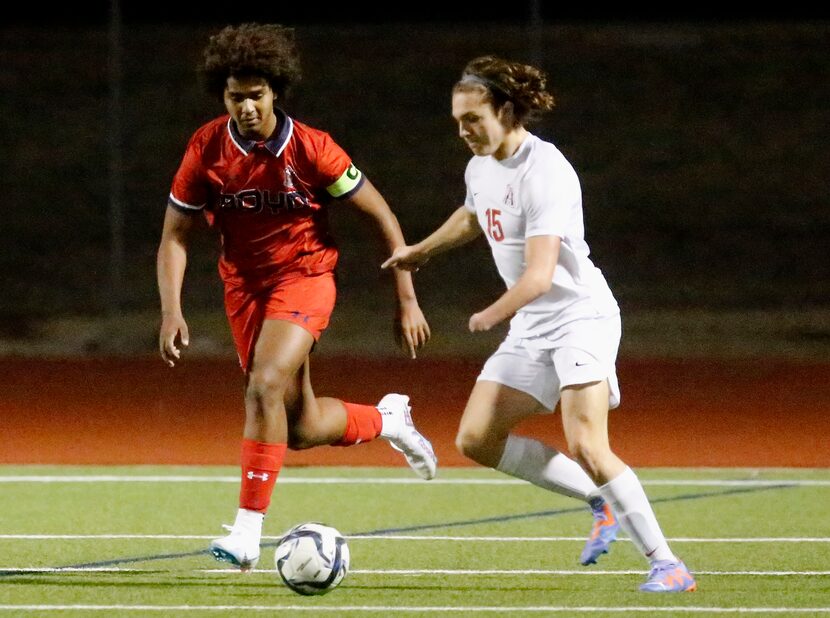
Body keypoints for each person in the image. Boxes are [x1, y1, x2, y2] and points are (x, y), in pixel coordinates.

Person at [382, 55, 696, 593]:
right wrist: (423, 251)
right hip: (532, 323)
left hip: (579, 318)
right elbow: (473, 212)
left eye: (473, 119)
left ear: (506, 111)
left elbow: (541, 275)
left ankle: (668, 564)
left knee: (588, 445)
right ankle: (599, 499)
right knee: (477, 437)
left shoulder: (546, 171)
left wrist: (490, 314)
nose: (464, 131)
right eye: (458, 121)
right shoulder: (480, 164)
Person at [156, 22, 437, 572]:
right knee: (301, 427)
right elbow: (174, 235)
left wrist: (407, 298)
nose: (246, 107)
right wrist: (172, 309)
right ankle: (389, 420)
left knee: (263, 386)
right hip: (244, 288)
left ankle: (245, 533)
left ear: (276, 91)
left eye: (256, 95)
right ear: (223, 96)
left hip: (305, 278)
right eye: (235, 97)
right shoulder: (206, 148)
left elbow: (381, 215)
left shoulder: (312, 149)